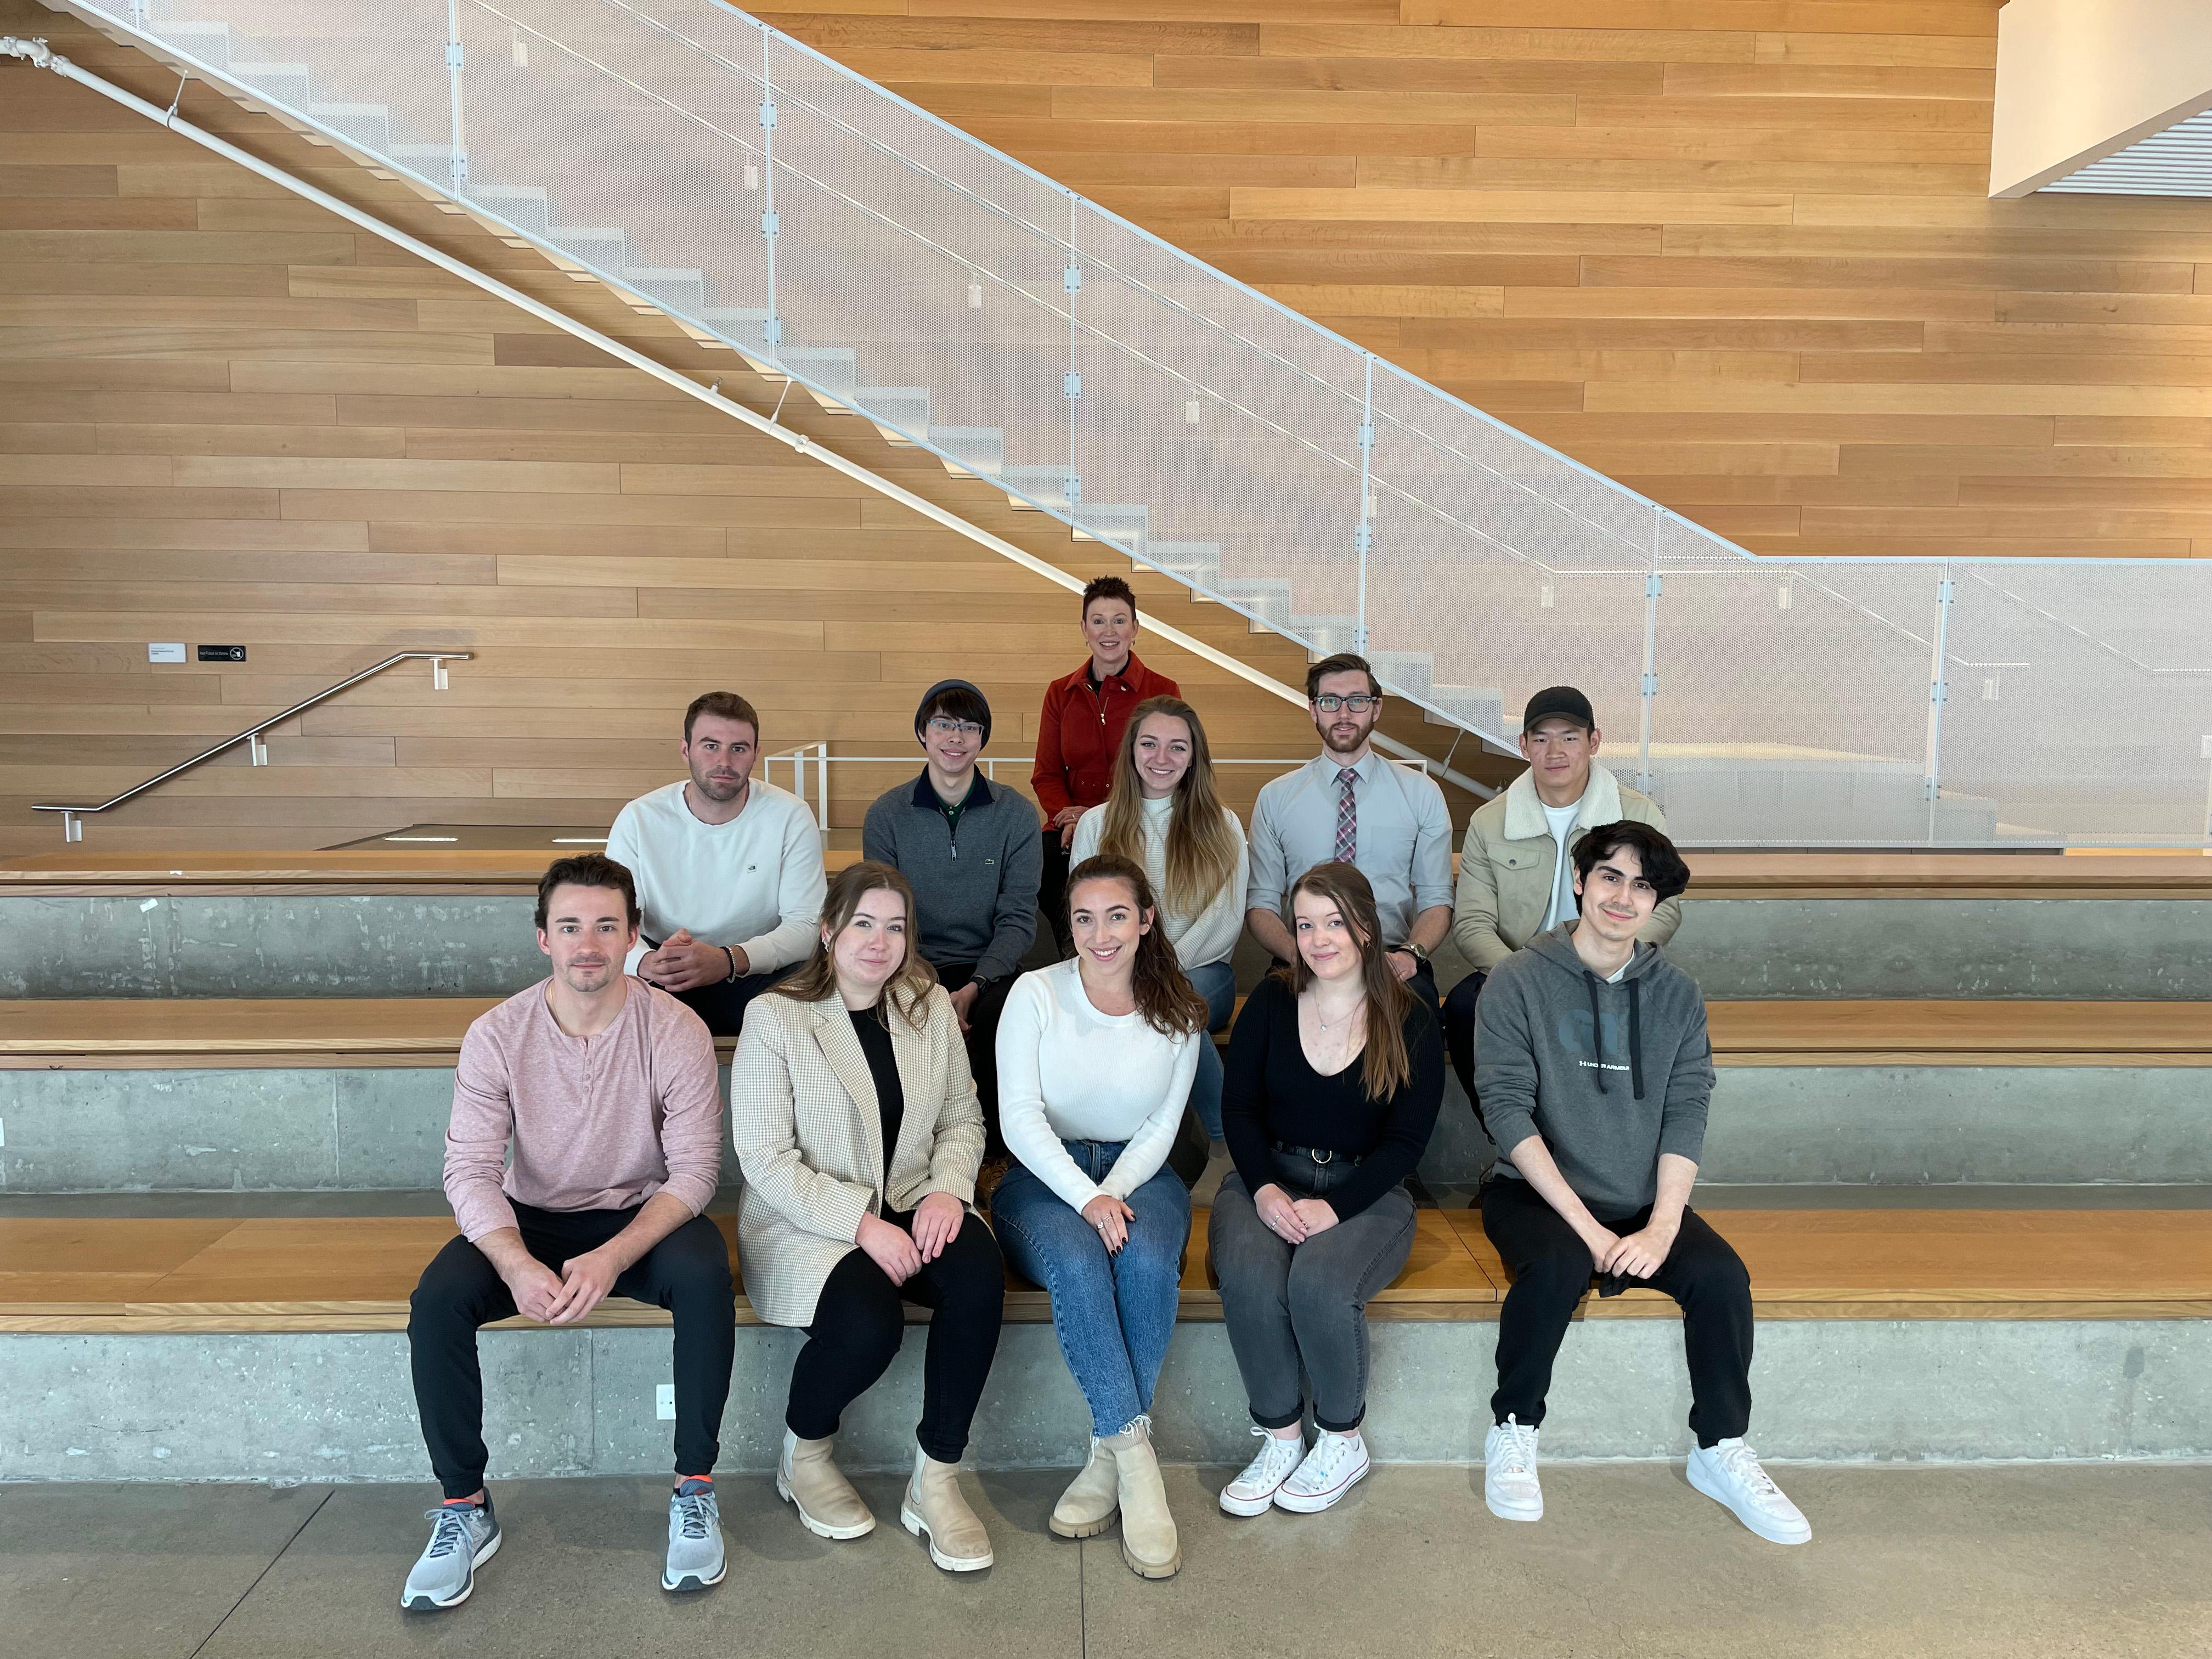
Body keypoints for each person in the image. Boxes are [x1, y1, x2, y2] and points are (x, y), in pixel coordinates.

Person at [403, 854, 733, 1610]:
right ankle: (464, 1506)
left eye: (607, 927)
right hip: (532, 1220)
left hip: (638, 1215)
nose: (589, 944)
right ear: (544, 938)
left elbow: (694, 1174)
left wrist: (615, 1257)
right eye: (571, 926)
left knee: (706, 1275)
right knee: (439, 1300)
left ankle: (695, 1488)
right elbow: (470, 1172)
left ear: (633, 937)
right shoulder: (497, 1034)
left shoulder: (674, 1028)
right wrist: (516, 1265)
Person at [1472, 822, 1809, 1547]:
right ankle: (1514, 1428)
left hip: (1641, 1195)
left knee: (1722, 1277)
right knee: (1557, 1266)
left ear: (1656, 903)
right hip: (1537, 1193)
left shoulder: (1677, 996)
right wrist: (1590, 1231)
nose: (1624, 897)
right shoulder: (1519, 980)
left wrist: (1660, 1227)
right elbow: (1505, 1108)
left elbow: (1688, 1111)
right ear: (1580, 882)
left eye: (1643, 885)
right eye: (1611, 878)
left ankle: (1720, 1449)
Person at [729, 860, 1005, 1573]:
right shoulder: (776, 1017)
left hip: (916, 1197)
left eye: (894, 927)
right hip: (808, 1218)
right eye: (862, 924)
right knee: (868, 1319)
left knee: (976, 1276)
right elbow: (765, 1159)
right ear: (828, 932)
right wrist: (862, 1224)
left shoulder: (928, 1004)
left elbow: (962, 1117)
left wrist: (948, 1189)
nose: (879, 942)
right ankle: (805, 1451)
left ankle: (936, 1478)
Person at [992, 854, 1208, 1579]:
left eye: (1117, 915)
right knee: (1079, 1260)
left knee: (1146, 1259)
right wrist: (1086, 1198)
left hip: (1140, 1172)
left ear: (1146, 920)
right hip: (1041, 1178)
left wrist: (1112, 1190)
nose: (1100, 933)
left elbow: (1161, 1128)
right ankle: (1139, 1465)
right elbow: (1019, 1119)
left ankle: (1104, 1458)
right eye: (1084, 918)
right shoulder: (1035, 994)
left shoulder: (1178, 1012)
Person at [1210, 862, 1444, 1517]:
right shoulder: (1272, 1001)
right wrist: (1261, 1191)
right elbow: (1240, 1111)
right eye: (1305, 924)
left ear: (1366, 928)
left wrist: (1335, 1206)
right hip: (1269, 1178)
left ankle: (1342, 1438)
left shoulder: (1413, 1015)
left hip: (1367, 1190)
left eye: (1334, 922)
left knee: (1318, 1284)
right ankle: (1282, 1438)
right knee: (1251, 1276)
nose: (1319, 939)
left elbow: (1406, 1142)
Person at [1442, 685, 1679, 1107]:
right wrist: (1524, 979)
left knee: (1647, 1011)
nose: (1555, 751)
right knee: (1463, 1007)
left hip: (1610, 967)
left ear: (1594, 741)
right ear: (1523, 746)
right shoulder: (1489, 821)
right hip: (1519, 966)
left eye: (1569, 737)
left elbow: (1665, 910)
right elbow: (1472, 922)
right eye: (1540, 738)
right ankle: (1511, 1148)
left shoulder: (1637, 815)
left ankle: (1605, 1150)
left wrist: (1608, 965)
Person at [863, 679, 1042, 1141]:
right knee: (887, 1016)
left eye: (969, 727)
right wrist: (927, 986)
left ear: (982, 739)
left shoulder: (1017, 814)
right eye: (943, 724)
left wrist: (975, 985)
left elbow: (1019, 916)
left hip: (991, 969)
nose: (955, 738)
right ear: (923, 732)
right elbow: (886, 914)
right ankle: (902, 1151)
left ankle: (1000, 1154)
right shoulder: (887, 814)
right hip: (908, 966)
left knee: (1008, 1021)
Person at [1070, 696, 1247, 1143]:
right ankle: (1111, 1147)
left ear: (1194, 757)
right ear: (1131, 751)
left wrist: (1158, 967)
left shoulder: (1223, 825)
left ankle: (1231, 1143)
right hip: (1115, 971)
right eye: (1149, 744)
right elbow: (1084, 915)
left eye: (1178, 747)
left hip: (1204, 974)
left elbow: (1224, 920)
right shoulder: (1096, 824)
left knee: (1175, 1005)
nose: (1162, 758)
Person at [606, 689, 827, 1036]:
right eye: (710, 746)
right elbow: (611, 920)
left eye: (738, 748)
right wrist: (646, 963)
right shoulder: (639, 818)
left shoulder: (790, 815)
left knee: (820, 988)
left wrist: (727, 960)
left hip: (756, 973)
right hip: (663, 971)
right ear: (685, 750)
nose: (724, 761)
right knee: (599, 989)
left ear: (755, 754)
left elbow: (807, 926)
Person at [1245, 653, 1453, 1012]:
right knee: (1268, 1016)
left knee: (1420, 1014)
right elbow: (1261, 905)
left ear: (1376, 709)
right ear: (1313, 710)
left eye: (1357, 701)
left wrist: (1410, 956)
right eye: (1330, 702)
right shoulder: (1276, 798)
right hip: (1306, 952)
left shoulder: (1421, 794)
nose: (1343, 714)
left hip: (1390, 957)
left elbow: (1437, 902)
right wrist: (1301, 954)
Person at [1032, 575, 1180, 954]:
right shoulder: (1059, 692)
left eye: (1119, 620)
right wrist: (1069, 818)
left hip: (1138, 815)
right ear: (1084, 629)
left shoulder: (1163, 690)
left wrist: (1098, 817)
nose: (1108, 630)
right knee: (1042, 860)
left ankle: (1142, 953)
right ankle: (1077, 953)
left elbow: (1170, 767)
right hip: (1068, 826)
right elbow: (1046, 774)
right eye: (1098, 620)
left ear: (1135, 628)